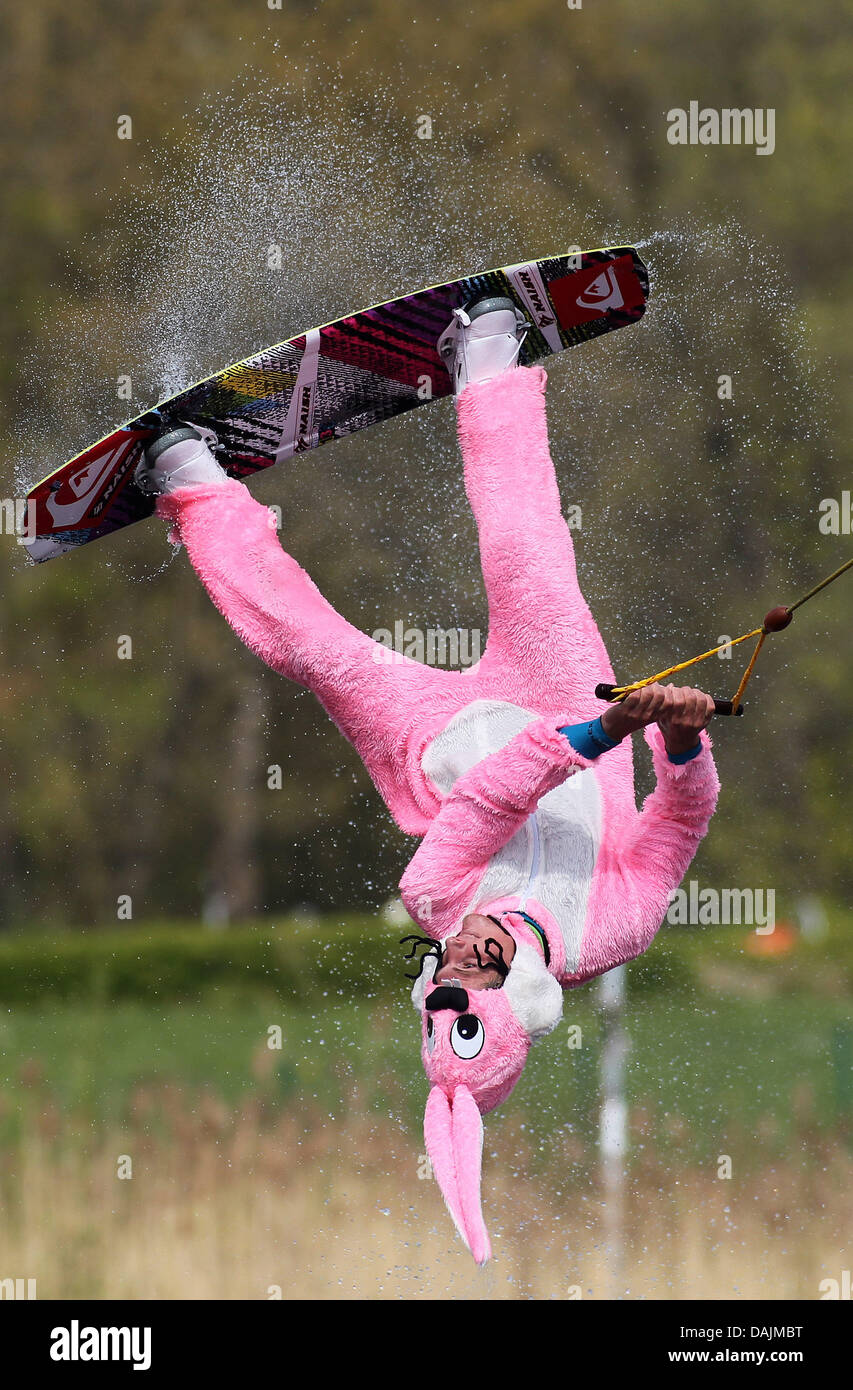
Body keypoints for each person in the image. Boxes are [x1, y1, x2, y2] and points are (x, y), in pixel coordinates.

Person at [136, 296, 720, 1263]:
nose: (463, 949)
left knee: (309, 648)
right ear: (526, 987)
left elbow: (492, 793)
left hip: (434, 740)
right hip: (558, 686)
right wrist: (683, 747)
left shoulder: (434, 896)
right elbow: (676, 830)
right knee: (528, 554)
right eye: (479, 969)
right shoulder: (611, 927)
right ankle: (488, 361)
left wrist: (601, 731)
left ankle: (189, 481)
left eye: (442, 969)